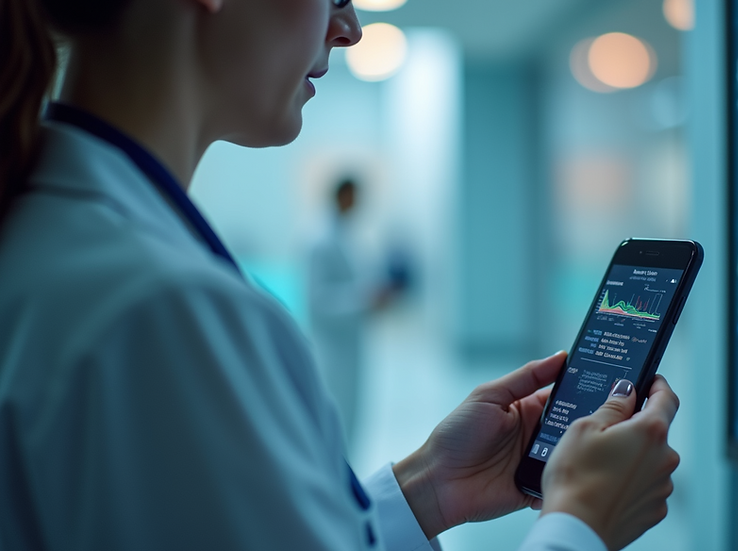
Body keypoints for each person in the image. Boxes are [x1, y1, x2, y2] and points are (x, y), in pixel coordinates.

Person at [0, 1, 681, 550]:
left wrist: (425, 489)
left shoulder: (59, 241)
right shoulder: (163, 312)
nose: (351, 27)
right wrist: (581, 522)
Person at [308, 176, 393, 439]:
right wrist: (364, 299)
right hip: (332, 347)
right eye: (355, 196)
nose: (358, 203)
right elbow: (318, 301)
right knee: (336, 417)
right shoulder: (320, 240)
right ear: (342, 195)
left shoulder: (347, 235)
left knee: (352, 417)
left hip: (352, 342)